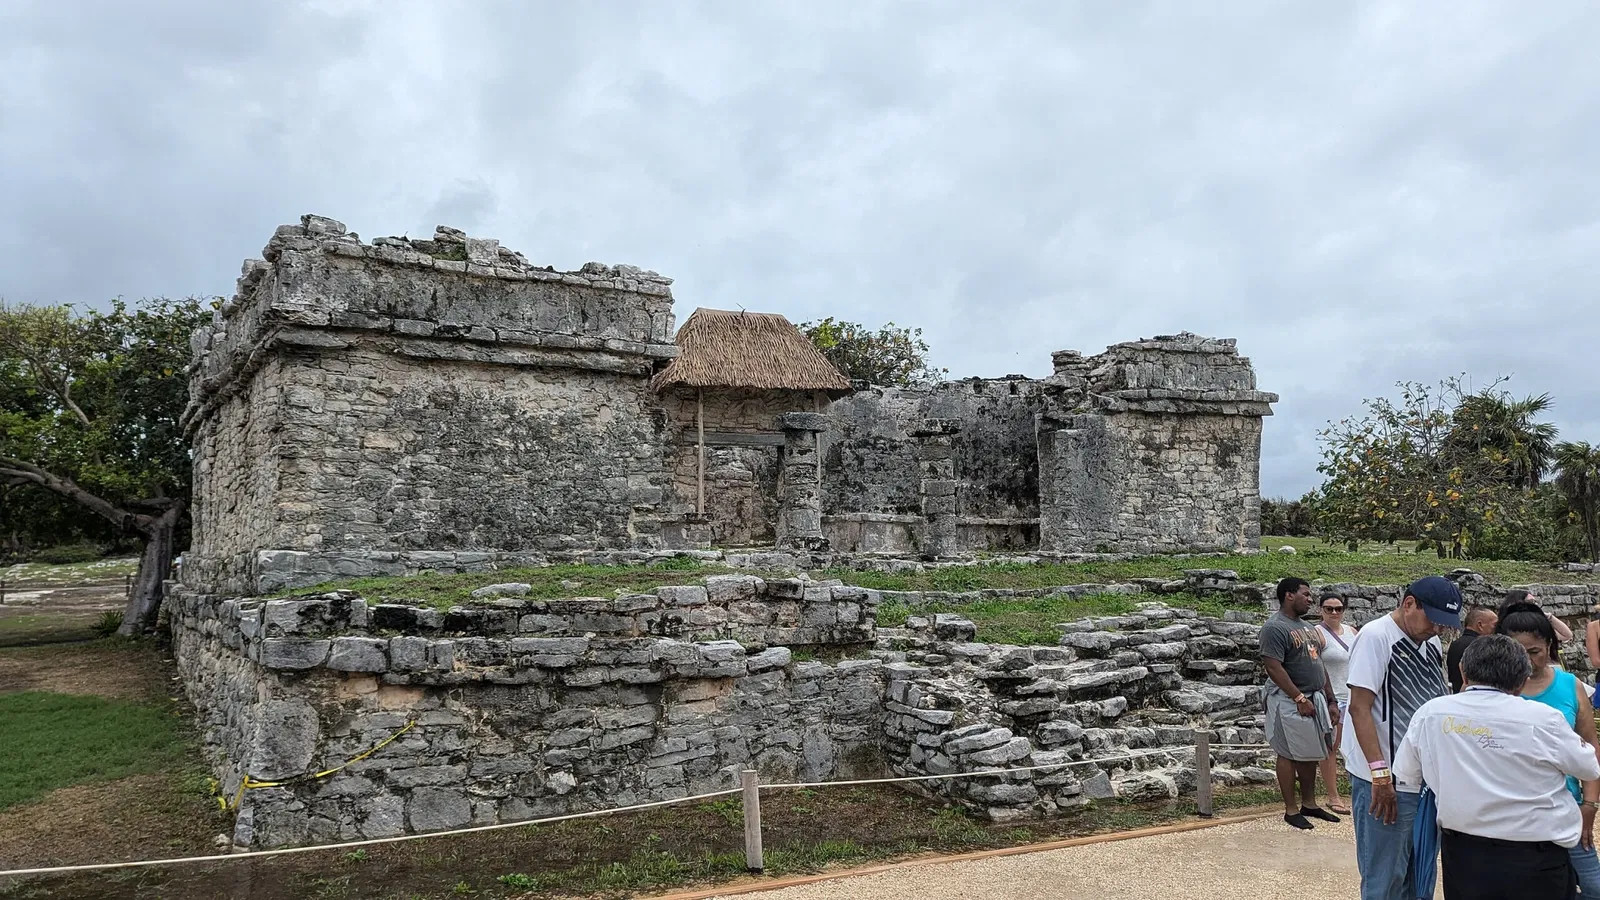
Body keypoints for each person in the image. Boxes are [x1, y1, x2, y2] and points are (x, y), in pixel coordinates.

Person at [1395, 634, 1600, 900]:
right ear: (1521, 680)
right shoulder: (1543, 719)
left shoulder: (1431, 713)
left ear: (1462, 672)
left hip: (1465, 855)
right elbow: (1589, 767)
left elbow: (1406, 775)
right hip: (1535, 858)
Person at [1344, 575, 1461, 900]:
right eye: (1434, 619)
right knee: (1385, 879)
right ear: (1409, 604)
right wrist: (1380, 776)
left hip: (1425, 781)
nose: (1438, 629)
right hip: (1386, 780)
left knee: (1419, 873)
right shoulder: (1376, 638)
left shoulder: (1430, 643)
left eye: (1444, 623)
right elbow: (1359, 709)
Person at [1498, 601, 1600, 896]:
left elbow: (1591, 746)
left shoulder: (1570, 685)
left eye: (1535, 652)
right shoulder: (1496, 690)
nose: (1528, 661)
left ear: (1549, 647)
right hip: (1514, 814)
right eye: (1520, 653)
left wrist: (1589, 806)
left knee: (1592, 887)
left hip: (1566, 808)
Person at [1260, 576, 1343, 829]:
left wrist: (1330, 699)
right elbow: (1273, 666)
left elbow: (1319, 665)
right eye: (1306, 594)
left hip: (1314, 697)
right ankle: (1290, 809)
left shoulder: (1308, 628)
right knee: (1287, 752)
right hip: (1289, 699)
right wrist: (1298, 697)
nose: (1310, 599)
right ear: (1288, 595)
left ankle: (1310, 803)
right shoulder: (1275, 627)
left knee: (1309, 752)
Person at [1316, 592, 1358, 815]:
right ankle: (1333, 795)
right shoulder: (1317, 634)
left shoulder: (1352, 632)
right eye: (1328, 608)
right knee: (1332, 746)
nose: (1334, 612)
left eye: (1338, 608)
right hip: (1333, 696)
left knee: (1355, 744)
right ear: (1320, 609)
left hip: (1354, 695)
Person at [1447, 606, 1499, 693]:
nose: (1496, 630)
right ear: (1480, 625)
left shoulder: (1455, 644)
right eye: (1494, 625)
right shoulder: (1482, 647)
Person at [1501, 589, 1574, 644]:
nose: (1535, 605)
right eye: (1531, 602)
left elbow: (1566, 636)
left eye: (1535, 602)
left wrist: (1548, 617)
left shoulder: (1539, 625)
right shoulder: (1507, 626)